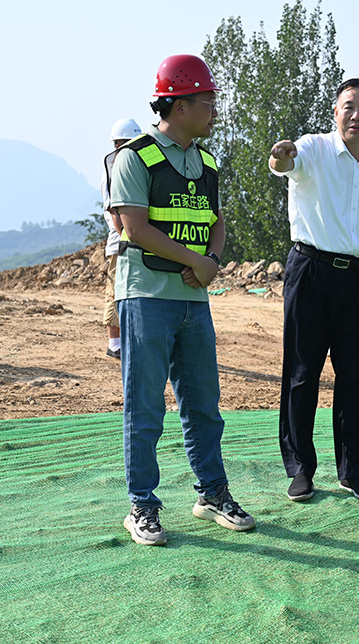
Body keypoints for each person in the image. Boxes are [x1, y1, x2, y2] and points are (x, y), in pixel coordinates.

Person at [108, 54, 256, 546]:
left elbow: (216, 221)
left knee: (203, 406)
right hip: (147, 295)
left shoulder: (206, 161)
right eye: (207, 101)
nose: (215, 110)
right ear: (178, 103)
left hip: (193, 301)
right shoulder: (137, 155)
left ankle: (212, 492)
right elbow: (135, 227)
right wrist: (199, 263)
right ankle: (142, 506)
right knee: (145, 407)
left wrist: (210, 258)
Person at [270, 78, 359, 504]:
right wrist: (280, 156)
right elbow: (285, 163)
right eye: (348, 106)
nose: (356, 114)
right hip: (310, 270)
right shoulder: (313, 148)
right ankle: (300, 469)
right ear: (335, 111)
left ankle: (354, 471)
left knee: (354, 376)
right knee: (301, 372)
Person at [101, 118, 142, 360]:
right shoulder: (113, 171)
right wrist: (127, 237)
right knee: (115, 291)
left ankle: (126, 340)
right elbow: (114, 211)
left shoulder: (128, 168)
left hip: (132, 240)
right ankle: (114, 343)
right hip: (120, 243)